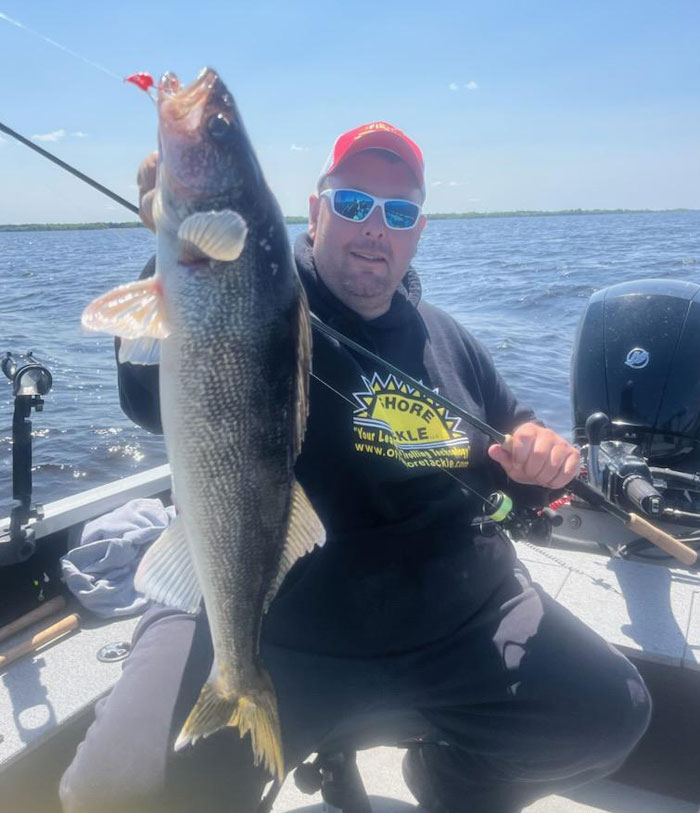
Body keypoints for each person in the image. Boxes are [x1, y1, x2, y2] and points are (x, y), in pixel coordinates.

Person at [60, 122, 651, 813]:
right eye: (353, 204)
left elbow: (513, 424)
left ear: (419, 231)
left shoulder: (448, 336)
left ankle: (451, 778)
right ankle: (299, 742)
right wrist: (172, 261)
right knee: (113, 791)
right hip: (279, 621)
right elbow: (145, 396)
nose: (377, 227)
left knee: (612, 710)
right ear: (315, 212)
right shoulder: (266, 296)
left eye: (398, 212)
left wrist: (539, 451)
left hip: (456, 618)